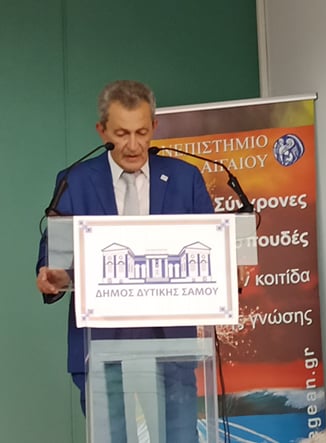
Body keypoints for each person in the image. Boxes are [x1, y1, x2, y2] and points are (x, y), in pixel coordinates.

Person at [35, 80, 213, 443]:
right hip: (100, 347)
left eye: (141, 132)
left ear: (154, 128)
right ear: (101, 131)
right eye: (121, 134)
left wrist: (230, 271)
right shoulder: (76, 181)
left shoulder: (185, 179)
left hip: (171, 347)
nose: (133, 145)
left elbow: (212, 249)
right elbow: (54, 251)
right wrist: (53, 276)